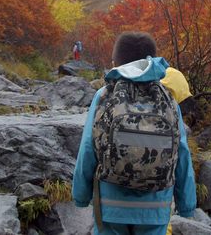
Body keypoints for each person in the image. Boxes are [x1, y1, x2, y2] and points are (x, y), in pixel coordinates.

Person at [73, 31, 196, 235]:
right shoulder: (167, 100)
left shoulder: (104, 95)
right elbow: (182, 152)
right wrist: (187, 205)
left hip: (110, 205)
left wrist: (81, 195)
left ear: (116, 62)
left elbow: (88, 146)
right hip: (156, 209)